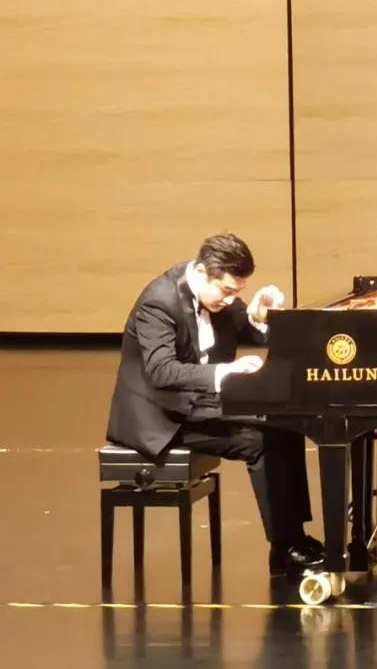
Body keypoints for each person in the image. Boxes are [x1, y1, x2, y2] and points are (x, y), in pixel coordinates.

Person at [106, 232, 323, 576]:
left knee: (286, 422)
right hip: (161, 417)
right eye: (227, 291)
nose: (232, 299)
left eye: (238, 292)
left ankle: (296, 537)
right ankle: (283, 550)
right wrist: (225, 372)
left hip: (197, 404)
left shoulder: (216, 295)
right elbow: (162, 371)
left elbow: (249, 329)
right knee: (259, 440)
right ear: (202, 272)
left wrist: (260, 316)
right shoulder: (158, 303)